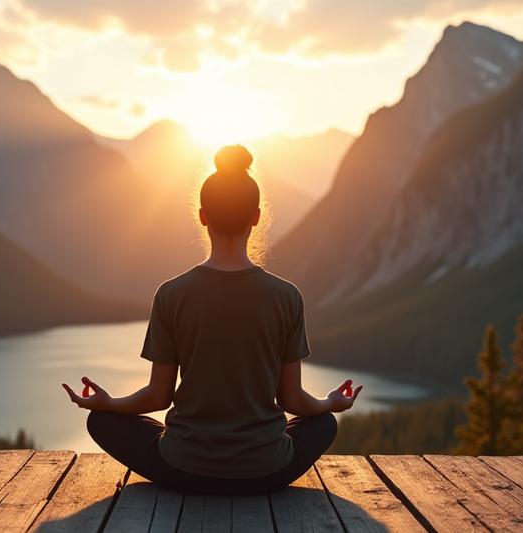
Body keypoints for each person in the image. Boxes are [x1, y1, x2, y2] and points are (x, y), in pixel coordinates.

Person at [62, 144, 362, 495]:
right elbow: (292, 401)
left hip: (183, 468)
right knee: (324, 425)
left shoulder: (172, 294)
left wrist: (108, 403)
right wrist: (330, 403)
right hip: (266, 471)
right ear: (256, 216)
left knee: (101, 422)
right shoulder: (286, 297)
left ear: (202, 216)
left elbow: (159, 397)